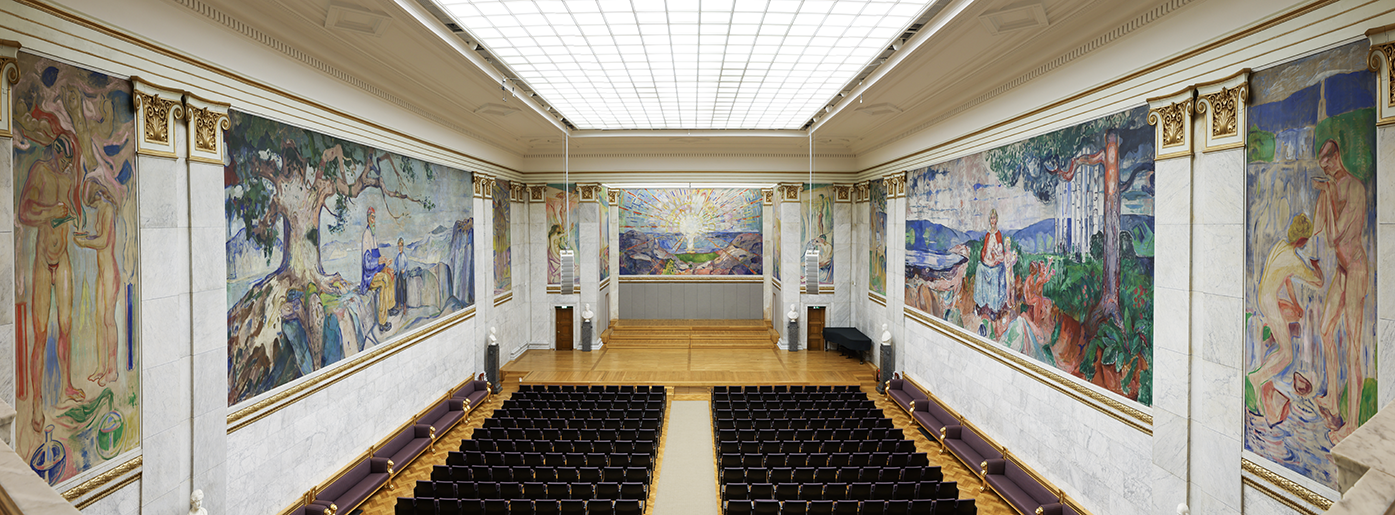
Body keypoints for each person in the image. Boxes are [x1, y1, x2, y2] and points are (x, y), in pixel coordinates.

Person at [17, 124, 85, 431]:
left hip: (64, 258)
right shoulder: (41, 171)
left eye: (69, 163)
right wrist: (50, 213)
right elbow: (24, 213)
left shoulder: (68, 175)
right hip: (43, 262)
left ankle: (67, 385)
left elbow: (68, 206)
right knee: (41, 335)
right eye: (62, 160)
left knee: (67, 327)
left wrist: (71, 214)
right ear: (55, 153)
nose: (65, 167)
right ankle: (36, 405)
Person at [1310, 139, 1370, 443]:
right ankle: (1333, 397)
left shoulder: (1355, 188)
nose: (1324, 165)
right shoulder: (1332, 187)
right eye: (1321, 161)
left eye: (1327, 160)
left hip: (1356, 269)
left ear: (1338, 157)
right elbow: (1318, 228)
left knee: (1353, 349)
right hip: (1340, 270)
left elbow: (1335, 235)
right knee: (1325, 330)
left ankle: (1354, 424)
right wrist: (1325, 197)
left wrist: (1331, 192)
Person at [1247, 213, 1324, 428]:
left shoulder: (1281, 246)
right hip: (1270, 302)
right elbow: (1318, 282)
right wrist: (1316, 266)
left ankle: (1270, 342)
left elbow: (1286, 278)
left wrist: (1295, 303)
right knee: (1287, 354)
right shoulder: (1294, 260)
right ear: (1303, 240)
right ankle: (1257, 377)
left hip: (1265, 296)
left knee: (1294, 315)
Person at [73, 179, 122, 387]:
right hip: (103, 273)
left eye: (90, 202)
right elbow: (100, 237)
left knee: (108, 320)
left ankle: (112, 370)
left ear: (97, 196)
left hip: (110, 272)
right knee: (98, 318)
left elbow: (103, 242)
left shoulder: (108, 209)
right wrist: (86, 236)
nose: (91, 206)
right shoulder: (102, 210)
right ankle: (102, 367)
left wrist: (84, 242)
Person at [973, 209, 1013, 332]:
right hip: (988, 261)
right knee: (980, 268)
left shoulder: (998, 234)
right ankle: (980, 303)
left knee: (995, 273)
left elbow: (1000, 249)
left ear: (997, 220)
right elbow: (984, 250)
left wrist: (995, 256)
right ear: (989, 220)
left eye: (994, 218)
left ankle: (994, 308)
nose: (993, 221)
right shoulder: (987, 235)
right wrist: (985, 256)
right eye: (991, 218)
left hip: (997, 263)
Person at [360, 208, 395, 332]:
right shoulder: (366, 235)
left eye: (375, 217)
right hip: (369, 278)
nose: (374, 220)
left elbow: (378, 260)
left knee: (390, 272)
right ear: (368, 218)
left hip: (375, 272)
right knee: (384, 280)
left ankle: (390, 306)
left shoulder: (374, 236)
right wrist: (379, 261)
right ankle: (382, 322)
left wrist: (385, 263)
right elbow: (367, 264)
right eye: (372, 217)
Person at [392, 238, 408, 315]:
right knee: (398, 288)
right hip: (398, 274)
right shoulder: (398, 257)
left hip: (403, 275)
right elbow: (395, 265)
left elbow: (406, 265)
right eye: (398, 246)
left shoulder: (404, 256)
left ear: (403, 246)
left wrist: (404, 270)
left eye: (400, 246)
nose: (399, 248)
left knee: (404, 289)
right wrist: (394, 270)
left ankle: (404, 306)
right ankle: (398, 305)